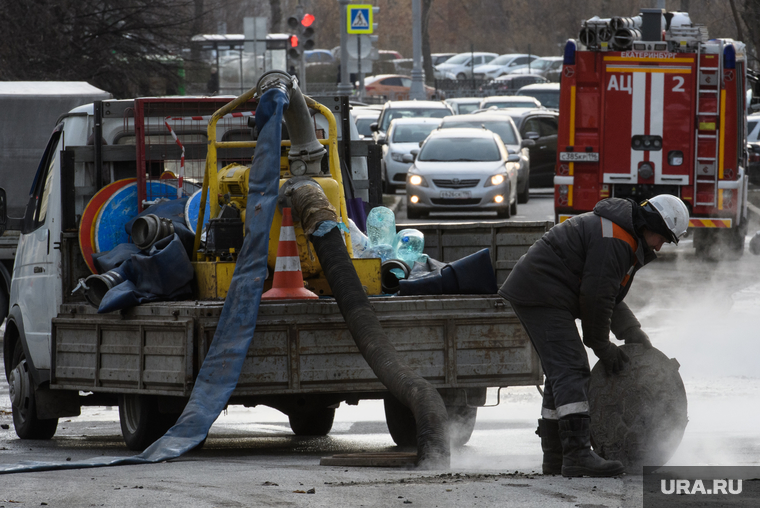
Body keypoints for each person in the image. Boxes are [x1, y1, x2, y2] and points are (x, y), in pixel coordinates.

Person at [498, 195, 689, 478]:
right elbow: (596, 297)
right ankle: (576, 456)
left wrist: (631, 332)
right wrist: (602, 346)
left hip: (544, 290)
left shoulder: (621, 235)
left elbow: (607, 292)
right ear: (652, 224)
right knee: (572, 368)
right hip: (542, 292)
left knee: (560, 372)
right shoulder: (616, 239)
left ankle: (556, 455)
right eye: (662, 238)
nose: (660, 246)